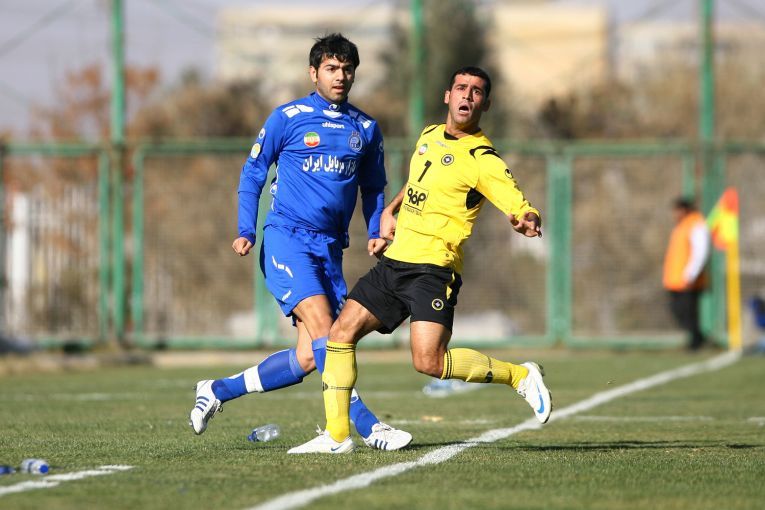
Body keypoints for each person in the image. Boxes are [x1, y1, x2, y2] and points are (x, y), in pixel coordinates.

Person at [288, 66, 552, 454]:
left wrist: (527, 217)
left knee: (429, 362)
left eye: (477, 92)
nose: (467, 95)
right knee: (340, 335)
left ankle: (519, 376)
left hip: (433, 270)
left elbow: (517, 200)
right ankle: (338, 436)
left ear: (485, 104)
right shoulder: (428, 135)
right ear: (448, 95)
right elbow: (417, 183)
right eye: (461, 88)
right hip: (395, 262)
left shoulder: (483, 158)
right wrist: (389, 212)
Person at [188, 33, 412, 451]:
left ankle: (216, 389)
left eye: (347, 69)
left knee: (309, 356)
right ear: (313, 73)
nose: (340, 76)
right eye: (331, 68)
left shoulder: (365, 128)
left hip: (330, 248)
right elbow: (253, 173)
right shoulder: (287, 117)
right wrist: (246, 230)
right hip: (286, 240)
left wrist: (377, 230)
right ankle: (366, 427)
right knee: (328, 332)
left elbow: (373, 188)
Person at [662, 197, 710, 351]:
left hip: (688, 280)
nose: (674, 214)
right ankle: (697, 338)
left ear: (684, 210)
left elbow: (700, 252)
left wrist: (691, 274)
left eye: (677, 210)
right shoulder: (681, 226)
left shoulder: (696, 224)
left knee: (688, 312)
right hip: (675, 280)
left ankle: (696, 341)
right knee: (677, 311)